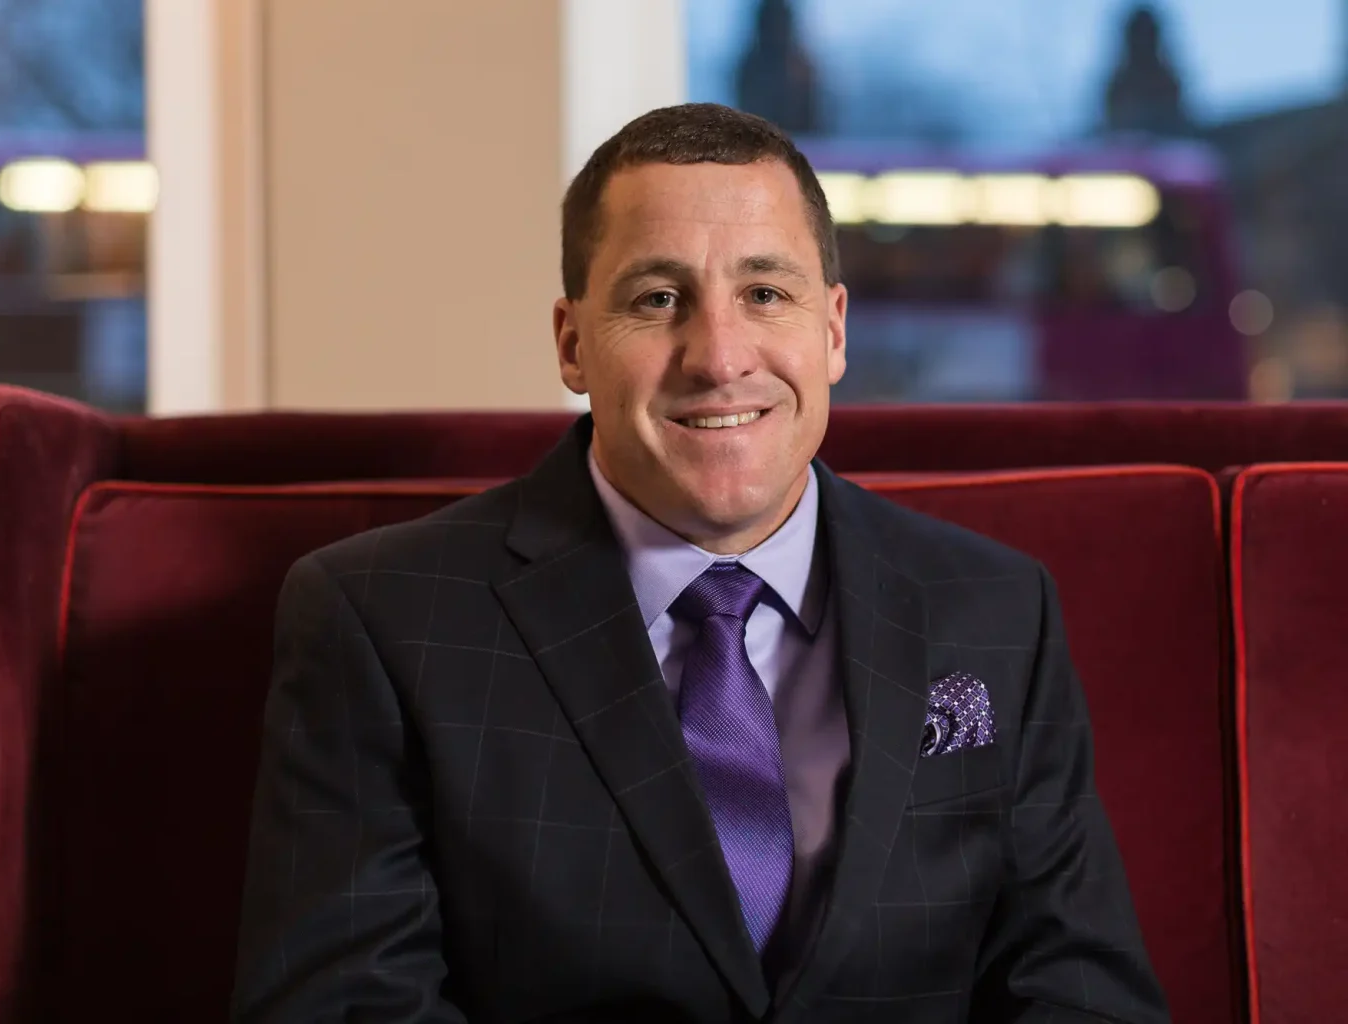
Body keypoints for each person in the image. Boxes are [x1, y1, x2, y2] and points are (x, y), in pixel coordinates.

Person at [231, 103, 1169, 1024]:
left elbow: (1078, 990)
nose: (720, 357)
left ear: (833, 330)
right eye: (657, 299)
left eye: (765, 293)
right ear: (572, 342)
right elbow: (345, 1006)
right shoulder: (380, 619)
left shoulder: (999, 609)